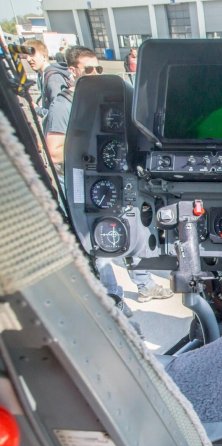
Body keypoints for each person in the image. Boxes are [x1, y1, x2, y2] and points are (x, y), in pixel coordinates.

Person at [43, 46, 173, 307]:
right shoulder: (63, 105)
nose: (95, 73)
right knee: (99, 243)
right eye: (88, 69)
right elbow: (54, 152)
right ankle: (114, 300)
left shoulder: (104, 99)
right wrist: (81, 147)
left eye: (98, 68)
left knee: (131, 228)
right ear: (73, 71)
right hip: (83, 183)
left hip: (116, 177)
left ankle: (143, 284)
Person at [22, 39, 71, 116]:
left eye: (32, 55)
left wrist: (37, 110)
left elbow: (59, 113)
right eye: (26, 56)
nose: (28, 59)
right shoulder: (42, 75)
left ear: (44, 55)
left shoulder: (53, 78)